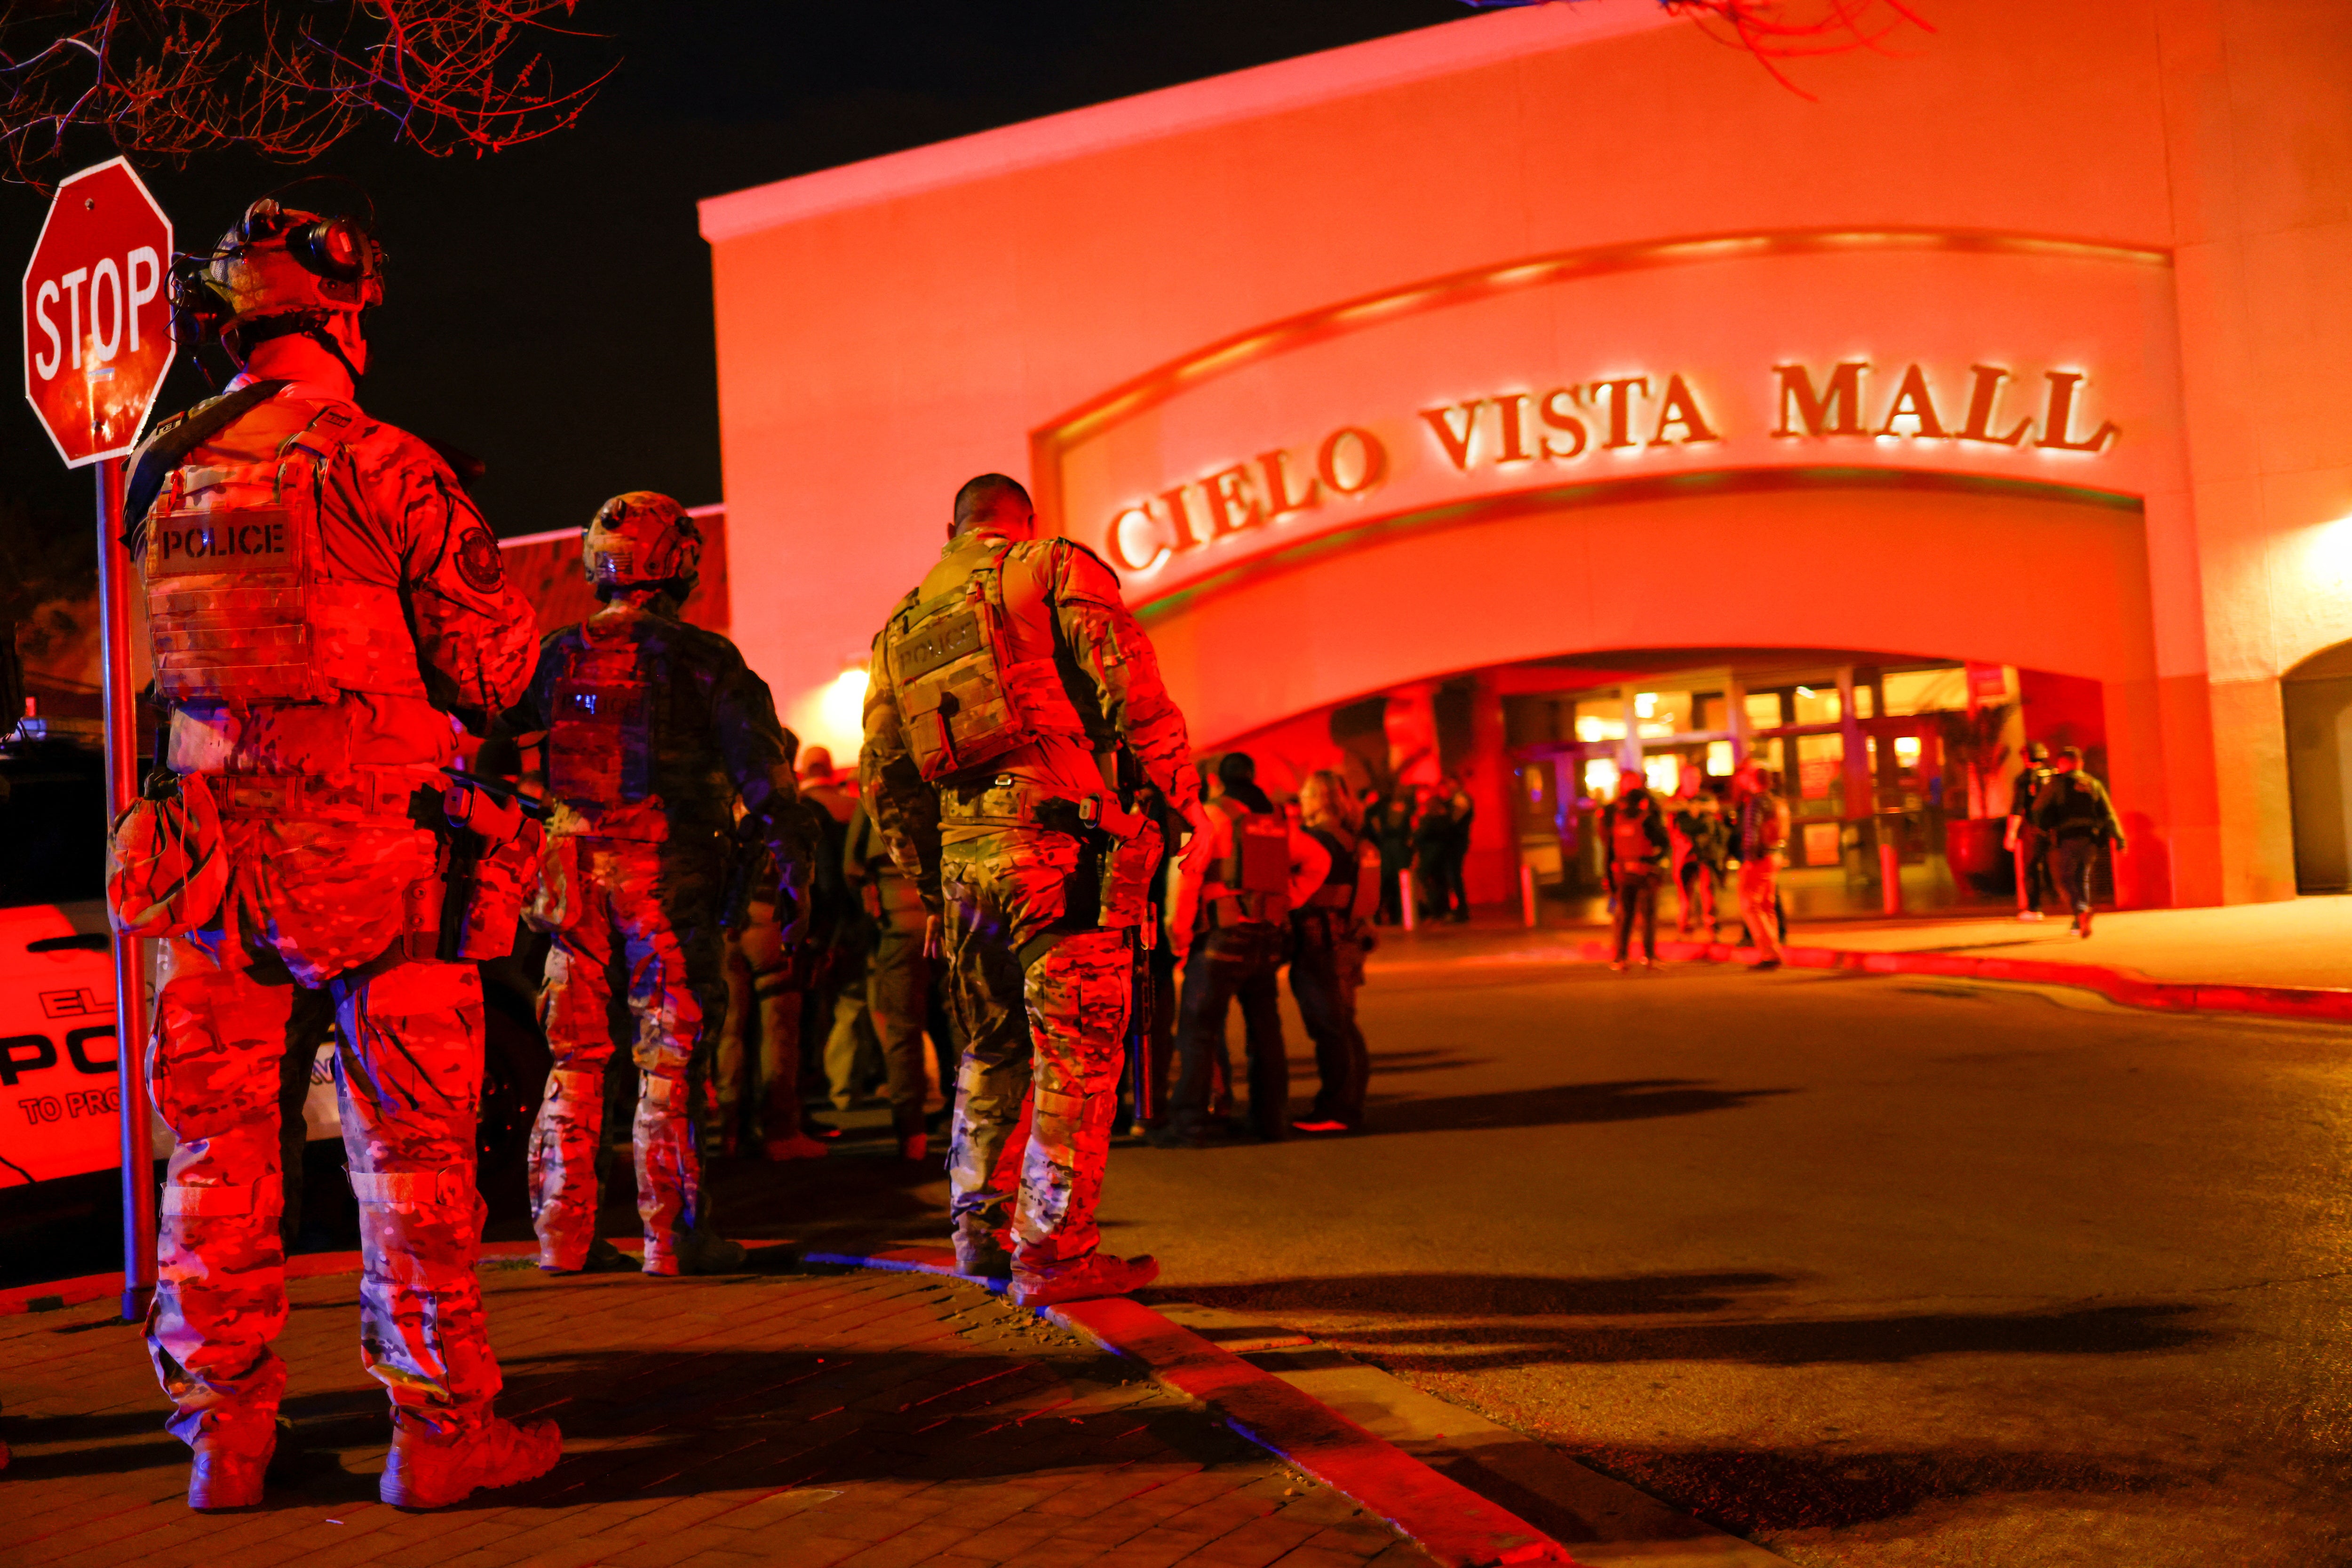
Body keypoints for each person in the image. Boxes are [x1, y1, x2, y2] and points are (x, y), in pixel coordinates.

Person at [121, 191, 553, 1511]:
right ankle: (435, 1431)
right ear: (349, 313)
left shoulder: (163, 480)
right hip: (378, 855)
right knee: (411, 1150)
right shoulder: (383, 463)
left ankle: (224, 1442)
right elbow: (488, 668)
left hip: (207, 856)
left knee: (216, 1159)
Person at [860, 472, 1197, 1307]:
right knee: (1077, 1056)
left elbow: (882, 773)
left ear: (953, 526)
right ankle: (1054, 1252)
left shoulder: (901, 624)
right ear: (1024, 521)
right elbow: (1134, 689)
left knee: (990, 1047)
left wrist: (930, 882)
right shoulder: (1051, 567)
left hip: (963, 860)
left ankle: (978, 1234)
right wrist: (1180, 800)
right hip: (1058, 844)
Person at [505, 493, 805, 1281]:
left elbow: (485, 744)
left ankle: (561, 1237)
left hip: (571, 883)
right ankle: (674, 1238)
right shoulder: (704, 659)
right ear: (679, 564)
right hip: (666, 882)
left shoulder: (555, 653)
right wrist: (792, 867)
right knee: (669, 1059)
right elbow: (768, 785)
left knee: (572, 1057)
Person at [1165, 752, 1329, 1146]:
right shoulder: (1275, 820)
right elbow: (1318, 859)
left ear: (1218, 782)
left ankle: (1189, 1124)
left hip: (1221, 938)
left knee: (1198, 1030)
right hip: (1266, 937)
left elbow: (1187, 876)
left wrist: (1180, 933)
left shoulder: (1212, 816)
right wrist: (1286, 898)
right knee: (1265, 1030)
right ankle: (1270, 1118)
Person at [844, 797, 940, 1159]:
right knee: (970, 1023)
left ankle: (911, 1133)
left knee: (902, 1027)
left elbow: (852, 866)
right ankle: (978, 1126)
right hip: (955, 914)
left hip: (899, 922)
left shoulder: (876, 785)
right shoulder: (947, 770)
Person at [1288, 769, 1380, 1134]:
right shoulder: (1355, 840)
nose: (1302, 801)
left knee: (1329, 1025)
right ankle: (1351, 1101)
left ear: (1322, 798)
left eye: (1307, 795)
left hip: (1319, 939)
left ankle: (1336, 1107)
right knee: (1345, 1021)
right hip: (1348, 939)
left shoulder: (1316, 840)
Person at [2031, 746, 2126, 937]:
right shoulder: (2093, 784)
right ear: (2080, 763)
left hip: (2068, 837)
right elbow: (2108, 813)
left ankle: (2081, 909)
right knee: (2082, 877)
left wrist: (2042, 830)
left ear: (2062, 764)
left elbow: (2038, 809)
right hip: (2091, 838)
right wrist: (2119, 838)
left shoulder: (2057, 784)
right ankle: (2079, 920)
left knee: (2065, 878)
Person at [1601, 779, 1669, 969]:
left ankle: (1620, 957)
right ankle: (1649, 956)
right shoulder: (1646, 819)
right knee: (1648, 916)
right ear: (1643, 803)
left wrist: (1609, 876)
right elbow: (1663, 841)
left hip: (1624, 874)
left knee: (1626, 916)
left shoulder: (1618, 820)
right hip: (1645, 872)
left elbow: (1612, 850)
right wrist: (1658, 862)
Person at [1730, 759, 1790, 971]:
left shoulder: (1756, 803)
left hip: (1760, 858)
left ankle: (1770, 953)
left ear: (1754, 780)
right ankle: (1774, 949)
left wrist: (1748, 859)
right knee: (1767, 905)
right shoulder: (1777, 801)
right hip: (1775, 856)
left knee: (1750, 905)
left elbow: (1752, 833)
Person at [2006, 741, 2056, 921]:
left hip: (2035, 829)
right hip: (2058, 829)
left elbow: (2018, 808)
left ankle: (2034, 909)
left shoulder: (2026, 778)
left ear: (2027, 757)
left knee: (2032, 868)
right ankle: (2070, 904)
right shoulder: (2056, 774)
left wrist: (2011, 834)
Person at [1673, 788, 1731, 940]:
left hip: (1705, 855)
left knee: (1708, 892)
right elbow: (1684, 828)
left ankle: (1711, 928)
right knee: (1686, 895)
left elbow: (1710, 827)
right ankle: (1686, 927)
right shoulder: (1679, 803)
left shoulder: (1704, 800)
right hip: (1687, 856)